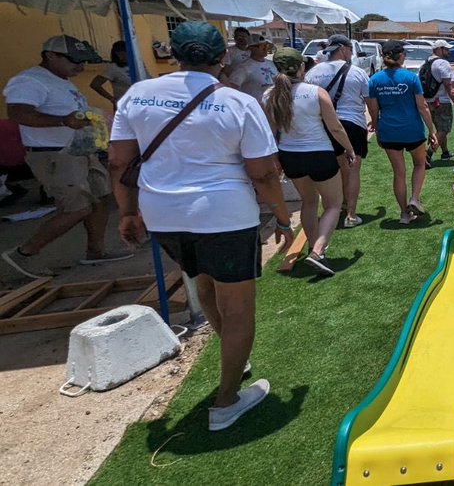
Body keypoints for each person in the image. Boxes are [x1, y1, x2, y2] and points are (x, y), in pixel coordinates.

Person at [107, 21, 292, 431]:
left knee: (202, 283)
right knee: (238, 304)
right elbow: (263, 172)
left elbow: (118, 162)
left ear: (173, 53)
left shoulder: (138, 95)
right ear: (222, 57)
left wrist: (127, 212)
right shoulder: (237, 103)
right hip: (224, 214)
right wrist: (282, 217)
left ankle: (234, 363)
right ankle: (226, 401)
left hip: (163, 214)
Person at [1, 35, 130, 281]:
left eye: (84, 62)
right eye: (75, 61)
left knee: (101, 199)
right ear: (51, 56)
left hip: (80, 150)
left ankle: (95, 251)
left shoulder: (62, 80)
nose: (80, 67)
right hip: (55, 154)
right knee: (77, 208)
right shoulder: (30, 80)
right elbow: (17, 113)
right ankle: (24, 253)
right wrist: (62, 121)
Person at [263, 48, 354, 277]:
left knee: (309, 202)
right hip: (320, 154)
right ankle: (318, 251)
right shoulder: (316, 92)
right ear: (301, 67)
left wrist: (275, 158)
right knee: (333, 203)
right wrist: (349, 148)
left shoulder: (268, 95)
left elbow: (271, 133)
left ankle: (313, 247)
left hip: (290, 156)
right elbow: (335, 127)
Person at [367, 41, 439, 224]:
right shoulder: (410, 77)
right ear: (400, 56)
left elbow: (373, 110)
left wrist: (376, 128)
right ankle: (414, 198)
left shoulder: (374, 80)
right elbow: (422, 107)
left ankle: (404, 214)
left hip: (389, 131)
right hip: (412, 130)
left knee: (398, 173)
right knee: (419, 164)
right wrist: (432, 130)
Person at [304, 34, 371, 228]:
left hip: (322, 124)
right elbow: (370, 102)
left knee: (335, 168)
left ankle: (335, 207)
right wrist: (375, 120)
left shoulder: (313, 73)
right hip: (353, 123)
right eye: (350, 49)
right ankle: (351, 214)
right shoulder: (357, 72)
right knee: (353, 169)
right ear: (343, 49)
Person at [90, 41, 150, 110]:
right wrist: (112, 99)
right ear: (118, 54)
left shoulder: (138, 64)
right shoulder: (113, 68)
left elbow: (147, 78)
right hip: (125, 107)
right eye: (126, 52)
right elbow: (95, 84)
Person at [426, 40, 454, 162]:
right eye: (446, 49)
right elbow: (448, 84)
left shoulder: (427, 62)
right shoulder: (443, 63)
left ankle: (445, 152)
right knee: (444, 130)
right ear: (438, 50)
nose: (448, 51)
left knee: (439, 128)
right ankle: (427, 155)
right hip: (441, 101)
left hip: (429, 101)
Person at [226, 34, 277, 101]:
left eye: (266, 45)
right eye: (261, 46)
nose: (265, 48)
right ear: (251, 48)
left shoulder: (271, 64)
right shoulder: (243, 68)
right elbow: (232, 89)